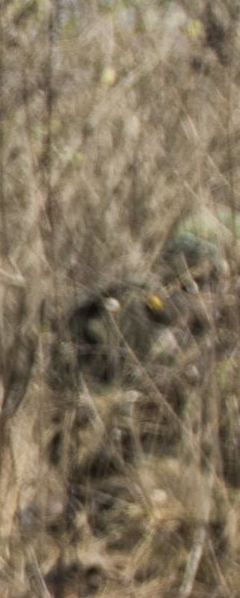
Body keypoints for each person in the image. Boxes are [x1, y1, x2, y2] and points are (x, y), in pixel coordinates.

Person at [44, 205, 238, 546]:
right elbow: (82, 431)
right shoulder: (131, 314)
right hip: (123, 487)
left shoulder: (206, 333)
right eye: (214, 282)